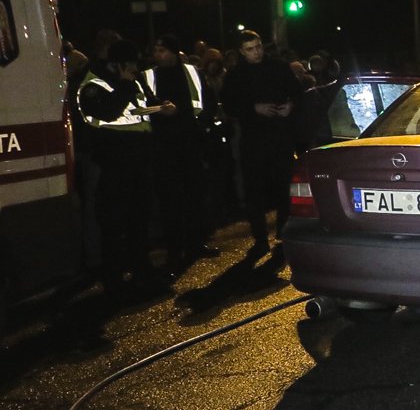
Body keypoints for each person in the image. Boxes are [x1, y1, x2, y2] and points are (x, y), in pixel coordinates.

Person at [76, 38, 169, 298]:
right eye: (129, 66)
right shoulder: (93, 86)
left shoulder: (132, 81)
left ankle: (143, 274)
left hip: (139, 165)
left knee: (139, 222)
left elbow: (144, 106)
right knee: (114, 226)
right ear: (115, 64)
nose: (134, 70)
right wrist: (126, 85)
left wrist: (162, 106)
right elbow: (109, 113)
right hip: (113, 168)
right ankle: (114, 282)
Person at [220, 30, 304, 258]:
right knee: (254, 189)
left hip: (279, 136)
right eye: (250, 49)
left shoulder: (277, 67)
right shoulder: (236, 75)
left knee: (284, 185)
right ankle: (259, 238)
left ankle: (284, 231)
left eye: (257, 46)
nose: (256, 52)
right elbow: (228, 103)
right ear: (241, 51)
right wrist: (253, 108)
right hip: (253, 139)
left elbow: (298, 91)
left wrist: (290, 105)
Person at [143, 33, 219, 272]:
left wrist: (202, 127)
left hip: (191, 145)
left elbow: (208, 101)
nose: (158, 54)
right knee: (170, 202)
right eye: (156, 50)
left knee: (194, 197)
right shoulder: (149, 75)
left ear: (174, 52)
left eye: (162, 50)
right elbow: (143, 105)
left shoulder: (192, 73)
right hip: (163, 148)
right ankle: (174, 251)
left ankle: (197, 243)